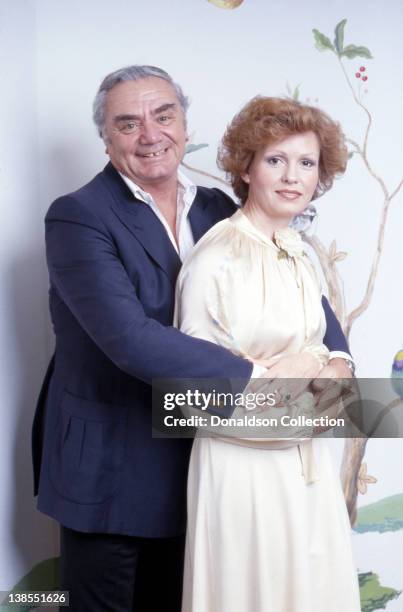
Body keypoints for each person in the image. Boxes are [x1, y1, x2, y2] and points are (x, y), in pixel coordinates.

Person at [31, 66, 353, 611]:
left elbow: (299, 290)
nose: (151, 135)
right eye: (128, 124)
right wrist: (267, 382)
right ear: (106, 138)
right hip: (111, 464)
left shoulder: (217, 209)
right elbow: (130, 338)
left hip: (203, 457)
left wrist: (339, 360)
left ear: (184, 122)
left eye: (164, 115)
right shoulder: (78, 217)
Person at [176, 96, 361, 611]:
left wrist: (318, 368)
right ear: (247, 168)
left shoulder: (302, 254)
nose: (292, 176)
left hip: (307, 473)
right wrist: (320, 391)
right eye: (275, 160)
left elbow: (334, 366)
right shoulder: (215, 259)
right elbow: (194, 396)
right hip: (243, 475)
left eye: (306, 163)